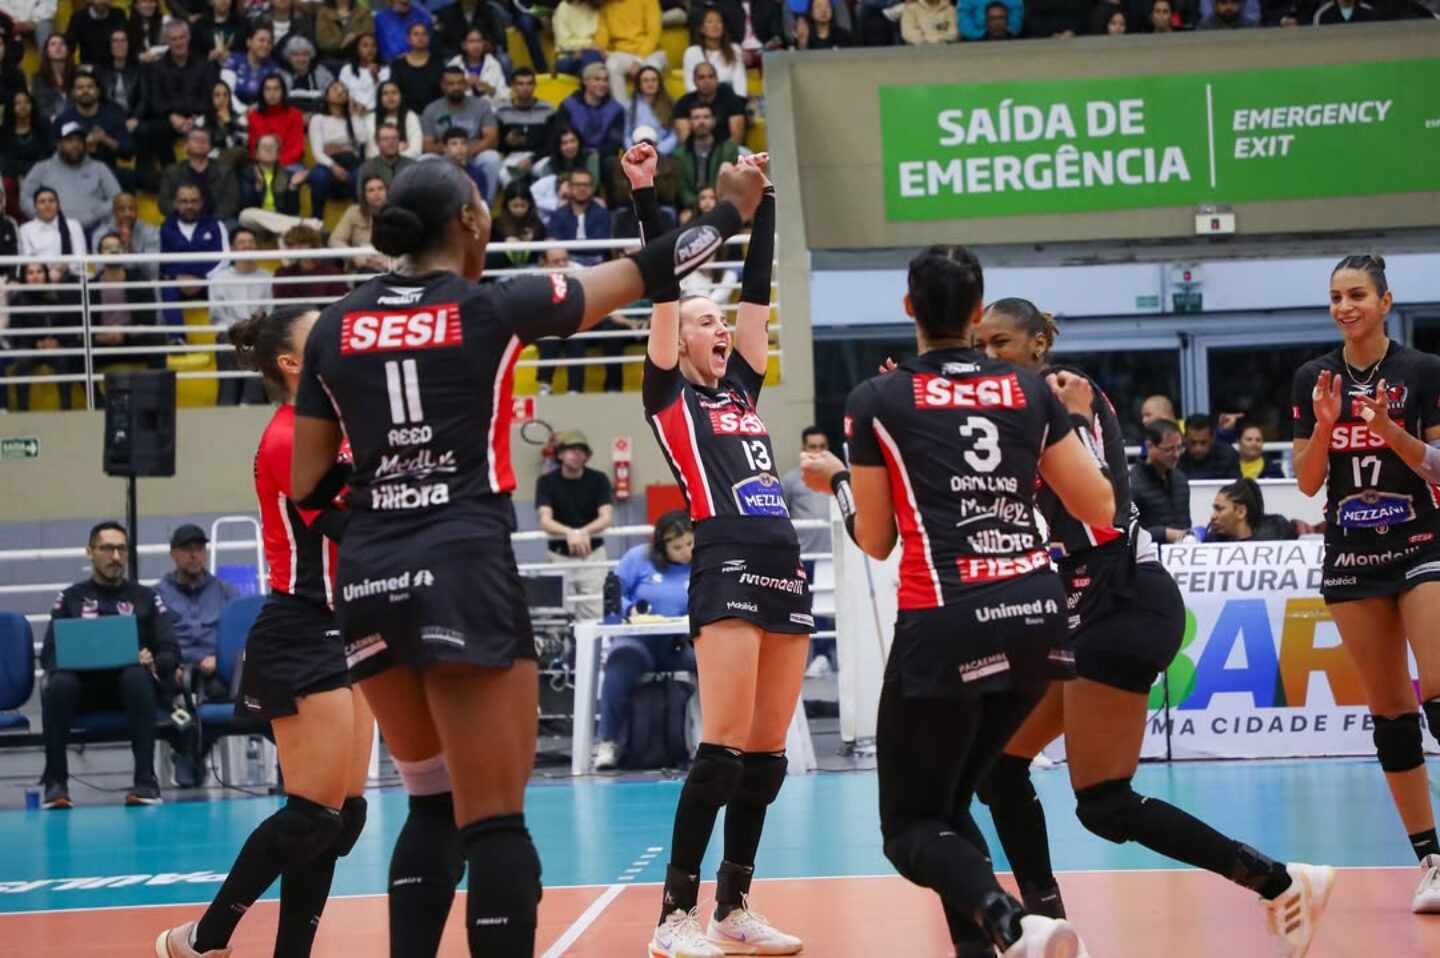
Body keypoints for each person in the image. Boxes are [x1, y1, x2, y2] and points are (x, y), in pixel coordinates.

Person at [284, 148, 765, 958]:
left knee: (429, 803)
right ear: (472, 222)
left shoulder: (334, 326)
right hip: (463, 568)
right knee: (495, 821)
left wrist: (379, 524)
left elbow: (307, 483)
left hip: (367, 577)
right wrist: (730, 212)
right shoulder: (493, 305)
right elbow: (648, 269)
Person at [968, 298, 1332, 958]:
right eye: (979, 344)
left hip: (1123, 601)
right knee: (998, 767)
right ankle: (1043, 927)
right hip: (1087, 601)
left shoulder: (1058, 395)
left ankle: (1280, 883)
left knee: (1103, 803)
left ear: (1040, 344)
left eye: (1002, 343)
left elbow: (1090, 501)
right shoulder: (1021, 403)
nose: (989, 356)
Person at [800, 250, 1114, 958]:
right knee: (947, 808)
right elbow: (1097, 505)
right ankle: (1004, 936)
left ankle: (1012, 923)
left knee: (909, 826)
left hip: (949, 617)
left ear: (909, 307)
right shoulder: (1028, 392)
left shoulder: (877, 400)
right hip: (1039, 617)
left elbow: (876, 540)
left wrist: (843, 484)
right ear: (978, 315)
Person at [627, 148, 809, 958]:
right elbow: (666, 284)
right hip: (728, 557)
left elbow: (759, 295)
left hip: (784, 559)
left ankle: (734, 909)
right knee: (723, 750)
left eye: (718, 322)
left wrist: (763, 204)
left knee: (766, 760)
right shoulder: (668, 396)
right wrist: (646, 198)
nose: (717, 327)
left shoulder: (743, 389)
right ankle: (673, 918)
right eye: (704, 321)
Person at [156, 305, 375, 958]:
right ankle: (205, 936)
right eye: (323, 333)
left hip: (351, 625)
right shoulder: (289, 438)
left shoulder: (346, 427)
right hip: (302, 628)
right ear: (292, 364)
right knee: (314, 812)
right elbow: (350, 528)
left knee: (345, 816)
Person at [1292, 254, 1440, 912]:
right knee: (1390, 715)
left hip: (1420, 543)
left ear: (1385, 301)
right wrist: (1326, 427)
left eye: (1357, 294)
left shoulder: (1423, 371)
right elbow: (1305, 482)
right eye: (1335, 296)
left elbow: (1438, 469)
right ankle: (1431, 860)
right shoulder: (1312, 377)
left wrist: (1388, 431)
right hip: (1350, 556)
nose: (1344, 306)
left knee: (1436, 689)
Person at [40, 522, 179, 809]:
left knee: (136, 676)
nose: (116, 556)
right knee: (59, 684)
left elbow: (171, 650)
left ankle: (145, 782)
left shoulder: (146, 597)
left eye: (121, 549)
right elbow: (49, 655)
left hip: (130, 692)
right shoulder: (70, 598)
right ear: (90, 552)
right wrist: (68, 662)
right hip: (81, 692)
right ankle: (56, 784)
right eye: (107, 548)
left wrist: (153, 659)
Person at [594, 510, 696, 771]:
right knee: (619, 661)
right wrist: (630, 610)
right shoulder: (637, 558)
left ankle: (719, 741)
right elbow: (614, 594)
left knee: (715, 663)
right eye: (677, 547)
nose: (686, 551)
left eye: (689, 543)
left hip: (680, 645)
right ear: (662, 547)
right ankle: (608, 742)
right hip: (639, 642)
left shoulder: (702, 563)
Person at [153, 524, 239, 786]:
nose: (194, 555)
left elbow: (239, 636)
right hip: (176, 671)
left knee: (216, 695)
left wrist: (219, 657)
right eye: (187, 550)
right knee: (168, 702)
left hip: (215, 672)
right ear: (173, 554)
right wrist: (172, 663)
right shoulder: (158, 595)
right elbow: (154, 637)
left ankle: (191, 757)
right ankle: (186, 753)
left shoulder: (225, 592)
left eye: (199, 549)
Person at [536, 429, 615, 619]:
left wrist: (582, 532)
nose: (577, 454)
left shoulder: (599, 479)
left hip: (592, 557)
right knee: (558, 615)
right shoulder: (546, 482)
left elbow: (606, 517)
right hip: (559, 557)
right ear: (560, 454)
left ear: (587, 455)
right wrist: (570, 532)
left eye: (581, 449)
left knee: (594, 614)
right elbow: (545, 520)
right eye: (571, 449)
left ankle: (594, 650)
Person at [781, 426, 835, 675]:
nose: (817, 452)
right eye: (812, 447)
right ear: (804, 449)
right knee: (811, 607)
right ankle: (820, 656)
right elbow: (782, 513)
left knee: (834, 608)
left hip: (836, 555)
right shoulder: (792, 480)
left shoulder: (839, 476)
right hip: (807, 556)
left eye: (822, 447)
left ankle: (830, 655)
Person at [208, 227, 274, 404]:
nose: (247, 246)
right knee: (228, 342)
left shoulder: (268, 278)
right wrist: (239, 331)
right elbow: (217, 316)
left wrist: (251, 330)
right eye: (242, 243)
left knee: (257, 344)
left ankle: (250, 402)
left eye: (250, 242)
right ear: (232, 249)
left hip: (258, 334)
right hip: (230, 334)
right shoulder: (218, 280)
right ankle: (227, 403)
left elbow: (270, 311)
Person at [20, 122, 122, 235]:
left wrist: (98, 213)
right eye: (70, 140)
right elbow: (25, 198)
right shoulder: (42, 168)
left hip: (93, 229)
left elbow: (118, 199)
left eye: (79, 140)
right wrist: (43, 216)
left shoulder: (99, 168)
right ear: (59, 144)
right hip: (51, 230)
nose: (75, 145)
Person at [6, 263, 81, 409]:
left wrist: (57, 341)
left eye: (39, 271)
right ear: (24, 277)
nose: (35, 276)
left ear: (46, 275)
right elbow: (16, 332)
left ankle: (66, 409)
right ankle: (23, 410)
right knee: (22, 359)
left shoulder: (58, 298)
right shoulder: (17, 301)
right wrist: (36, 344)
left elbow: (69, 326)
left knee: (63, 358)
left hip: (56, 346)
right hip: (29, 347)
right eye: (30, 273)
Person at [420, 67, 502, 200]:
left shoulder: (482, 106)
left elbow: (491, 138)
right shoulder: (431, 109)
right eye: (451, 84)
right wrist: (452, 152)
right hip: (444, 155)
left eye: (460, 83)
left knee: (492, 159)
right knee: (423, 160)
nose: (456, 87)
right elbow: (428, 145)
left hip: (474, 155)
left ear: (466, 85)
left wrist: (466, 151)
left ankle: (486, 208)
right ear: (443, 86)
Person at [159, 183, 229, 327]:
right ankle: (177, 340)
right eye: (184, 201)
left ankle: (224, 337)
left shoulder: (216, 225)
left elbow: (225, 258)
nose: (189, 206)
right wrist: (178, 278)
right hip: (178, 283)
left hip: (209, 282)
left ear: (201, 203)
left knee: (225, 284)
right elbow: (162, 261)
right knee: (167, 287)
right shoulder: (165, 228)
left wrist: (202, 279)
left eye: (194, 201)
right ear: (176, 203)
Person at [55, 72, 136, 184]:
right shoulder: (63, 120)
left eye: (90, 87)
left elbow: (128, 152)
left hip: (108, 172)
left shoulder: (113, 115)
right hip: (73, 173)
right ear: (73, 93)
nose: (85, 91)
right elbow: (53, 154)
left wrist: (106, 140)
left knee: (129, 178)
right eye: (80, 88)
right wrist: (81, 147)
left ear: (97, 91)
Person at [159, 127, 243, 226]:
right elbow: (164, 203)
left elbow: (231, 201)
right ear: (185, 145)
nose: (200, 142)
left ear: (210, 146)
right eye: (195, 139)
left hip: (218, 221)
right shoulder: (172, 172)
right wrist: (184, 216)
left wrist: (214, 221)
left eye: (204, 140)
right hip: (182, 220)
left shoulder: (225, 170)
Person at [306, 80, 368, 212]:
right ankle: (317, 221)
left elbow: (362, 139)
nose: (340, 92)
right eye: (335, 89)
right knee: (318, 177)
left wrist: (354, 114)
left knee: (361, 175)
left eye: (344, 91)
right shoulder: (318, 119)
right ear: (327, 96)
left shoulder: (352, 119)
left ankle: (361, 218)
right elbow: (318, 152)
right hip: (328, 163)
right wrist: (334, 167)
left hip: (351, 162)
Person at [1129, 418, 1191, 544]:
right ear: (1149, 446)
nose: (1176, 454)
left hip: (1181, 553)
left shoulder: (1180, 479)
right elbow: (1128, 531)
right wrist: (1163, 533)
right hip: (1148, 555)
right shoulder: (1132, 483)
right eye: (1169, 449)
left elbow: (1185, 522)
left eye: (1179, 448)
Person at [494, 67, 555, 186]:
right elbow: (497, 145)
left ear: (535, 86)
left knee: (548, 170)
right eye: (520, 84)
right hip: (513, 157)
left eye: (529, 84)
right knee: (503, 175)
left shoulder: (548, 109)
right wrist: (507, 142)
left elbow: (552, 143)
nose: (525, 88)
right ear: (513, 86)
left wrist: (532, 159)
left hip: (540, 157)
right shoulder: (502, 110)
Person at [675, 102, 740, 210]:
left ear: (713, 121)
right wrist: (699, 205)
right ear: (690, 123)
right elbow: (682, 190)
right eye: (696, 118)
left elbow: (732, 184)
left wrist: (712, 203)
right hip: (692, 208)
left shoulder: (729, 150)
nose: (701, 121)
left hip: (721, 206)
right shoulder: (679, 155)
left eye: (706, 117)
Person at [601, 0, 667, 102]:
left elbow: (654, 35)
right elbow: (602, 39)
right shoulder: (605, 7)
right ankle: (623, 110)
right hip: (624, 54)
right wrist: (600, 50)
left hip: (651, 52)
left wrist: (639, 60)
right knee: (612, 65)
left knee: (651, 69)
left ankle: (652, 111)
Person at [548, 167, 612, 267]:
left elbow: (599, 248)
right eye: (577, 185)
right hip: (566, 264)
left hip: (597, 265)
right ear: (570, 187)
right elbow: (555, 243)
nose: (582, 188)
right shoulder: (558, 215)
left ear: (592, 188)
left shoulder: (603, 214)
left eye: (586, 185)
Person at [674, 62, 747, 146]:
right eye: (701, 77)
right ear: (694, 81)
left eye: (711, 77)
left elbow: (737, 139)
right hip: (694, 153)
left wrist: (717, 155)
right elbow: (684, 139)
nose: (706, 81)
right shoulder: (683, 103)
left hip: (728, 152)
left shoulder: (733, 101)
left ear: (717, 79)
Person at [329, 173, 389, 273]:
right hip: (362, 267)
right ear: (364, 195)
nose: (377, 193)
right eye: (371, 190)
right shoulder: (353, 212)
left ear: (387, 191)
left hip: (389, 266)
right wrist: (354, 256)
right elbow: (335, 240)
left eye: (380, 188)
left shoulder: (397, 213)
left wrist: (390, 262)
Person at [1207, 477, 1295, 542]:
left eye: (1219, 509)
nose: (1212, 516)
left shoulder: (1277, 533)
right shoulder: (1212, 542)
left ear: (1241, 512)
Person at [17, 186, 87, 267]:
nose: (47, 204)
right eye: (42, 201)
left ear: (58, 204)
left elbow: (81, 259)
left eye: (51, 200)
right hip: (39, 276)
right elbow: (27, 260)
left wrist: (63, 268)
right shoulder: (25, 229)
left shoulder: (73, 226)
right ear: (35, 206)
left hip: (68, 276)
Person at [683, 7, 746, 95]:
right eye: (709, 22)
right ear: (701, 28)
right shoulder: (692, 52)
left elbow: (740, 85)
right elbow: (691, 86)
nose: (715, 25)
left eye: (719, 21)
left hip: (730, 102)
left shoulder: (735, 49)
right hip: (702, 102)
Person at [221, 26, 281, 113]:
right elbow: (225, 92)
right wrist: (244, 110)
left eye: (269, 42)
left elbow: (275, 97)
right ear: (249, 42)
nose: (266, 45)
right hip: (232, 113)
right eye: (261, 40)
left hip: (262, 114)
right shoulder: (234, 61)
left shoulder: (273, 67)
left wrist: (257, 109)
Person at [389, 22, 444, 114]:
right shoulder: (397, 66)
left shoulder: (438, 63)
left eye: (424, 34)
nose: (420, 38)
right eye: (416, 34)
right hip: (406, 115)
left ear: (429, 38)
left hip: (435, 114)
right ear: (408, 39)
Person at [625, 65, 678, 156]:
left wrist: (659, 150)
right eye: (645, 80)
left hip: (662, 153)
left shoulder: (671, 104)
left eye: (654, 80)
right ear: (639, 84)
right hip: (636, 153)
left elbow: (674, 135)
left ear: (659, 83)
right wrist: (635, 151)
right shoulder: (629, 105)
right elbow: (626, 135)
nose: (650, 84)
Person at [368, 80, 423, 158]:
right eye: (385, 93)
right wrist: (398, 149)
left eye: (394, 92)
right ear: (379, 98)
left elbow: (416, 150)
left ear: (401, 96)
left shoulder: (410, 116)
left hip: (405, 164)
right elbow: (372, 151)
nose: (390, 97)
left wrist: (392, 155)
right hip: (378, 167)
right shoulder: (371, 118)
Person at [1178, 412, 1241, 480]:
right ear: (1185, 439)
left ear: (1213, 438)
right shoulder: (1177, 458)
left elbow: (1237, 488)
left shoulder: (1229, 456)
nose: (1198, 448)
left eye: (1203, 443)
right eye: (1193, 443)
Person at [552, 0, 607, 76]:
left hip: (593, 54)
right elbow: (564, 44)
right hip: (567, 56)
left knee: (597, 59)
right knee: (591, 58)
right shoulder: (563, 8)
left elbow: (602, 44)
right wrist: (590, 44)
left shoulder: (597, 10)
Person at [357, 120, 415, 192]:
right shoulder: (367, 169)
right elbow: (362, 197)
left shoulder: (412, 166)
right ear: (377, 143)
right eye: (386, 139)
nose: (391, 142)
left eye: (394, 138)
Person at [338, 33, 389, 115]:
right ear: (357, 49)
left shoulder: (385, 70)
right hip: (352, 113)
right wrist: (353, 105)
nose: (370, 49)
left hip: (376, 114)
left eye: (373, 46)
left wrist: (375, 77)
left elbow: (386, 95)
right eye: (365, 46)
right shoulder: (347, 70)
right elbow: (342, 93)